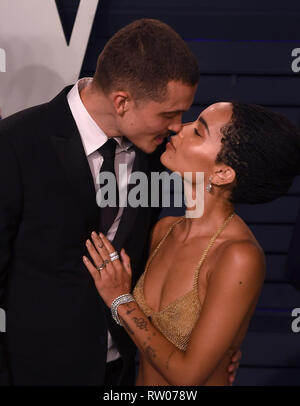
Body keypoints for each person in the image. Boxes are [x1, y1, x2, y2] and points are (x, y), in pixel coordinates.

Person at [0, 19, 240, 386]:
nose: (178, 127)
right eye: (168, 114)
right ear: (122, 101)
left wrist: (208, 348)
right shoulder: (16, 144)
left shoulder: (157, 149)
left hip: (130, 374)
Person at [83, 101, 300, 385]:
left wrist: (121, 300)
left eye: (198, 132)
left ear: (223, 173)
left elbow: (187, 377)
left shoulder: (238, 256)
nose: (179, 129)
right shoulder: (163, 230)